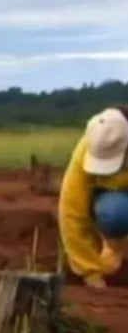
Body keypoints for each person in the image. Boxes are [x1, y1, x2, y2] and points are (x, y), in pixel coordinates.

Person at [59, 106, 128, 288]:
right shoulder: (88, 149)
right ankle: (114, 244)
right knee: (114, 213)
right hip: (115, 199)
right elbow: (71, 213)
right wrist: (89, 271)